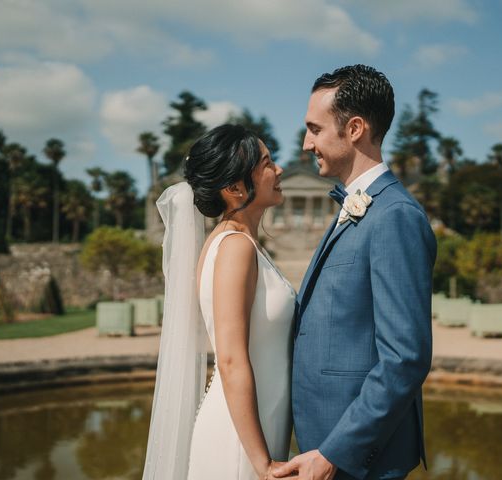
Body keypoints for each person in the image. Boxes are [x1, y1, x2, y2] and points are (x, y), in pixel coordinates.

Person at [273, 65, 437, 480]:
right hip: (322, 443)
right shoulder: (355, 207)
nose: (307, 143)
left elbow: (405, 358)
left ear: (355, 129)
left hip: (353, 457)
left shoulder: (394, 216)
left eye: (314, 129)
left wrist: (333, 453)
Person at [142, 124, 295, 479]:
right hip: (239, 441)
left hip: (259, 425)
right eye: (267, 163)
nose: (279, 170)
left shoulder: (242, 244)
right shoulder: (234, 248)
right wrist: (263, 463)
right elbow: (229, 358)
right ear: (235, 187)